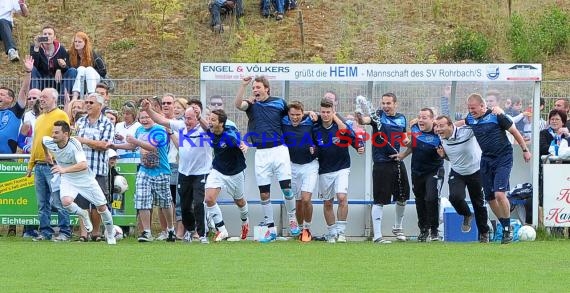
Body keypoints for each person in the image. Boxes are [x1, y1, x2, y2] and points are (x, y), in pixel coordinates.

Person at [459, 93, 531, 244]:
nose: (471, 111)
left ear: (482, 106)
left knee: (499, 194)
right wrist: (440, 126)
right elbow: (459, 123)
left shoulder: (496, 115)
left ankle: (506, 229)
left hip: (503, 158)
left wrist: (525, 150)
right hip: (486, 160)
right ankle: (505, 226)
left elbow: (514, 131)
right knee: (490, 198)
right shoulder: (471, 118)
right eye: (469, 108)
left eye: (473, 108)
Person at [235, 75, 298, 242]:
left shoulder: (279, 102)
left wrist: (309, 115)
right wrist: (243, 86)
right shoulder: (251, 105)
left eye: (258, 87)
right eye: (253, 88)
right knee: (264, 193)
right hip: (261, 153)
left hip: (279, 150)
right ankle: (271, 229)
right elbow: (237, 105)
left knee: (287, 189)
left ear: (266, 89)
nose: (255, 90)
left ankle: (292, 219)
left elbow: (293, 115)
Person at [43, 120, 117, 245]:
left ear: (66, 134)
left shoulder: (74, 144)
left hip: (85, 179)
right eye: (52, 132)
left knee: (102, 207)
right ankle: (83, 214)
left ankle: (110, 234)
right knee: (66, 201)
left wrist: (63, 169)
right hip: (68, 178)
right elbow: (43, 141)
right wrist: (47, 154)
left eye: (56, 132)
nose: (53, 135)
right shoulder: (49, 141)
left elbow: (83, 165)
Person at [108, 110, 175, 242]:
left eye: (147, 117)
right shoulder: (139, 131)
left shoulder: (159, 130)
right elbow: (133, 145)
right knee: (142, 199)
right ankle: (146, 232)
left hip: (160, 170)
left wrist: (135, 141)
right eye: (142, 118)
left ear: (154, 118)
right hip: (144, 169)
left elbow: (152, 147)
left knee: (165, 202)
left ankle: (171, 229)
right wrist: (115, 145)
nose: (144, 120)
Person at [355, 93, 410, 243]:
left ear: (395, 104)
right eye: (383, 103)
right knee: (380, 200)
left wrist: (410, 145)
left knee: (403, 196)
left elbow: (404, 138)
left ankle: (397, 227)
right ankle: (378, 236)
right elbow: (363, 120)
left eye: (388, 103)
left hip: (397, 161)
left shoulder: (402, 118)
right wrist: (359, 115)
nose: (385, 106)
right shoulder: (377, 116)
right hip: (381, 163)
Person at [314, 98, 364, 243]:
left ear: (333, 112)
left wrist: (358, 147)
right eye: (323, 112)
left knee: (342, 197)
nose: (325, 115)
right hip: (324, 170)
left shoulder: (341, 127)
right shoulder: (315, 127)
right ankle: (332, 232)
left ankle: (341, 232)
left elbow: (353, 138)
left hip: (342, 167)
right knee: (328, 203)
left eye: (328, 112)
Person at [434, 115, 490, 243]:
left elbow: (478, 123)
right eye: (436, 126)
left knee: (478, 203)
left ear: (450, 125)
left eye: (441, 126)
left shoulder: (466, 131)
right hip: (457, 172)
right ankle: (467, 214)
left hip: (475, 171)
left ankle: (484, 233)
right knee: (454, 197)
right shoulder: (439, 137)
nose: (438, 129)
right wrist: (443, 156)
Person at [26, 87, 71, 241]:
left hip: (53, 164)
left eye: (44, 96)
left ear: (54, 99)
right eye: (41, 97)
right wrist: (31, 164)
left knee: (58, 200)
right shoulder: (39, 118)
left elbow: (65, 138)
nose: (41, 99)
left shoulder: (61, 115)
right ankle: (45, 231)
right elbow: (35, 143)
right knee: (42, 203)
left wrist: (56, 158)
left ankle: (65, 231)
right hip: (39, 164)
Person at [394, 108, 444, 242]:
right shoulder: (414, 127)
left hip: (434, 170)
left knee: (431, 198)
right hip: (417, 170)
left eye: (425, 117)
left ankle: (434, 231)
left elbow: (447, 146)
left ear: (432, 119)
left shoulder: (438, 131)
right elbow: (414, 145)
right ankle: (423, 230)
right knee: (420, 200)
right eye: (419, 117)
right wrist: (403, 154)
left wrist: (444, 154)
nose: (421, 120)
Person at [201, 109, 250, 241]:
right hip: (217, 170)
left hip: (235, 172)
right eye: (209, 119)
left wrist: (243, 145)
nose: (210, 122)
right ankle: (222, 230)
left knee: (239, 201)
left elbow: (237, 140)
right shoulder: (212, 132)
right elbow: (205, 127)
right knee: (209, 199)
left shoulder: (229, 134)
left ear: (221, 123)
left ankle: (245, 222)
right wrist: (198, 117)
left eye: (213, 120)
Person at [74, 93, 115, 241]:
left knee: (98, 203)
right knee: (82, 204)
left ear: (100, 105)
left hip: (98, 169)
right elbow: (74, 141)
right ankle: (83, 234)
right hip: (81, 169)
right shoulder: (80, 122)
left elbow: (105, 145)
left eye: (91, 102)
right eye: (86, 102)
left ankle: (96, 233)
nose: (88, 105)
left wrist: (84, 140)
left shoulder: (107, 123)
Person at [282, 101, 318, 242]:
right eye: (292, 115)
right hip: (291, 166)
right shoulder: (284, 121)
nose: (295, 117)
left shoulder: (310, 122)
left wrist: (314, 148)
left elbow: (328, 116)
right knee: (297, 201)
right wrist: (309, 111)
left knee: (306, 199)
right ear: (288, 114)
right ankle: (300, 229)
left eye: (298, 115)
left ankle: (307, 229)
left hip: (310, 165)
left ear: (303, 114)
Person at [30, 25, 77, 100]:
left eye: (49, 34)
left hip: (57, 81)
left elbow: (67, 67)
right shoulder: (35, 47)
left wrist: (61, 68)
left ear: (54, 37)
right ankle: (35, 99)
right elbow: (34, 65)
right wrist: (36, 48)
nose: (47, 36)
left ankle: (62, 100)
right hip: (42, 80)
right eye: (45, 34)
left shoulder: (60, 49)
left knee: (72, 71)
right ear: (41, 36)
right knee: (31, 69)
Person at [0, 55, 30, 154]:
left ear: (10, 99)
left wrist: (28, 72)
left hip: (7, 160)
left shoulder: (15, 111)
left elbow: (24, 91)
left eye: (1, 94)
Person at [68, 32, 108, 99]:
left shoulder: (92, 54)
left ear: (85, 43)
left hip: (94, 78)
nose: (77, 43)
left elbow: (103, 71)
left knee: (89, 69)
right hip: (79, 78)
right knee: (81, 68)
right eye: (75, 41)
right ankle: (75, 96)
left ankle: (91, 95)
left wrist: (88, 71)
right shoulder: (70, 54)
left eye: (80, 42)